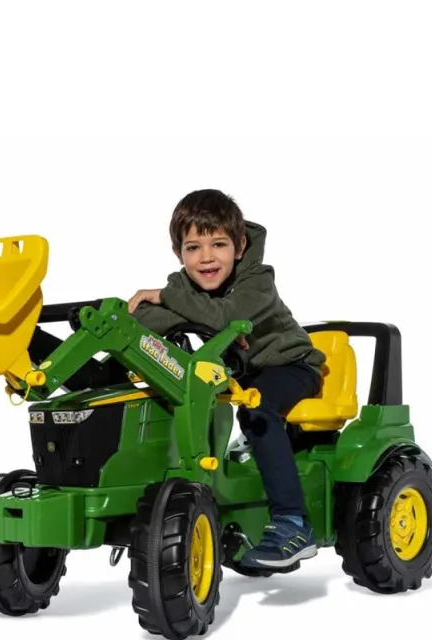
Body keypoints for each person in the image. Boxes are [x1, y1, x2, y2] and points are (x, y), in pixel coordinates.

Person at [127, 189, 326, 569]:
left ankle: (293, 524)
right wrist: (180, 309)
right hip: (241, 372)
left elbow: (225, 316)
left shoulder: (258, 280)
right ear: (178, 253)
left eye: (218, 244)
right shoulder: (181, 286)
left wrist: (172, 301)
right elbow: (145, 319)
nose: (206, 257)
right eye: (193, 247)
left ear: (240, 246)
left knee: (257, 412)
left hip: (291, 366)